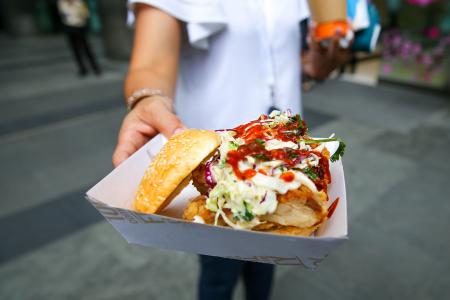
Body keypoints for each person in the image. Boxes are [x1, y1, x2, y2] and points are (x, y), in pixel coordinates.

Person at [113, 1, 348, 299]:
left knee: (265, 268)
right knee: (219, 276)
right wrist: (147, 99)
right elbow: (151, 63)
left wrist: (320, 62)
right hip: (219, 172)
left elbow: (290, 66)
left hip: (288, 158)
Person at [57, 0, 101, 76]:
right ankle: (82, 69)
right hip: (69, 27)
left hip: (80, 26)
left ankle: (95, 68)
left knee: (86, 48)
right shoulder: (61, 3)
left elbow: (85, 14)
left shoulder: (79, 2)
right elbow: (62, 14)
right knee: (75, 50)